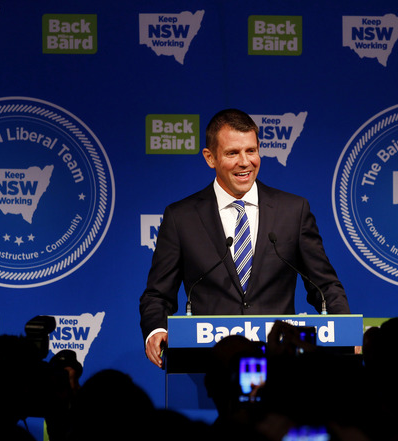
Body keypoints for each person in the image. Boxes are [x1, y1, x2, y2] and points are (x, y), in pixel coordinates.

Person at [139, 108, 350, 367]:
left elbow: (325, 285)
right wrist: (156, 329)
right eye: (232, 153)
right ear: (210, 158)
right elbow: (158, 295)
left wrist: (344, 328)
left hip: (281, 364)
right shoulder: (181, 217)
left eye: (251, 151)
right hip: (209, 364)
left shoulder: (293, 211)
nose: (245, 162)